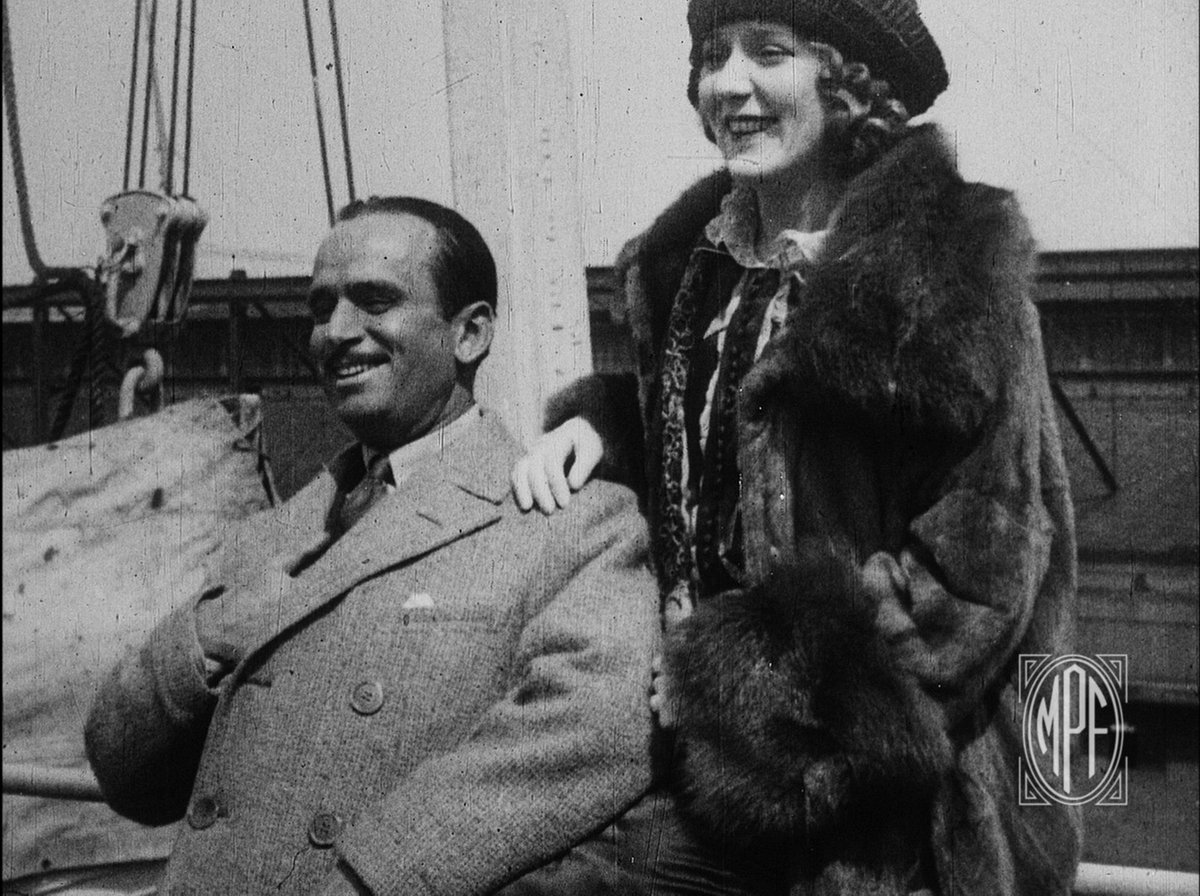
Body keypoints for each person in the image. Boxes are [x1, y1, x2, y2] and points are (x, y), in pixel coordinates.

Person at [511, 1, 1082, 894]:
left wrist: (733, 688)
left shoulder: (949, 277)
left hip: (896, 815)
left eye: (769, 53)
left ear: (851, 85)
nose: (728, 84)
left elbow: (976, 581)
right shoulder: (692, 266)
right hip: (703, 771)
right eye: (712, 57)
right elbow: (725, 437)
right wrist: (609, 424)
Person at [85, 197, 673, 895]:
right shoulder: (272, 536)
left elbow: (592, 734)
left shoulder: (571, 522)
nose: (336, 332)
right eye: (320, 306)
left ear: (471, 334)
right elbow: (125, 778)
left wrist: (374, 875)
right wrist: (209, 636)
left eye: (373, 300)